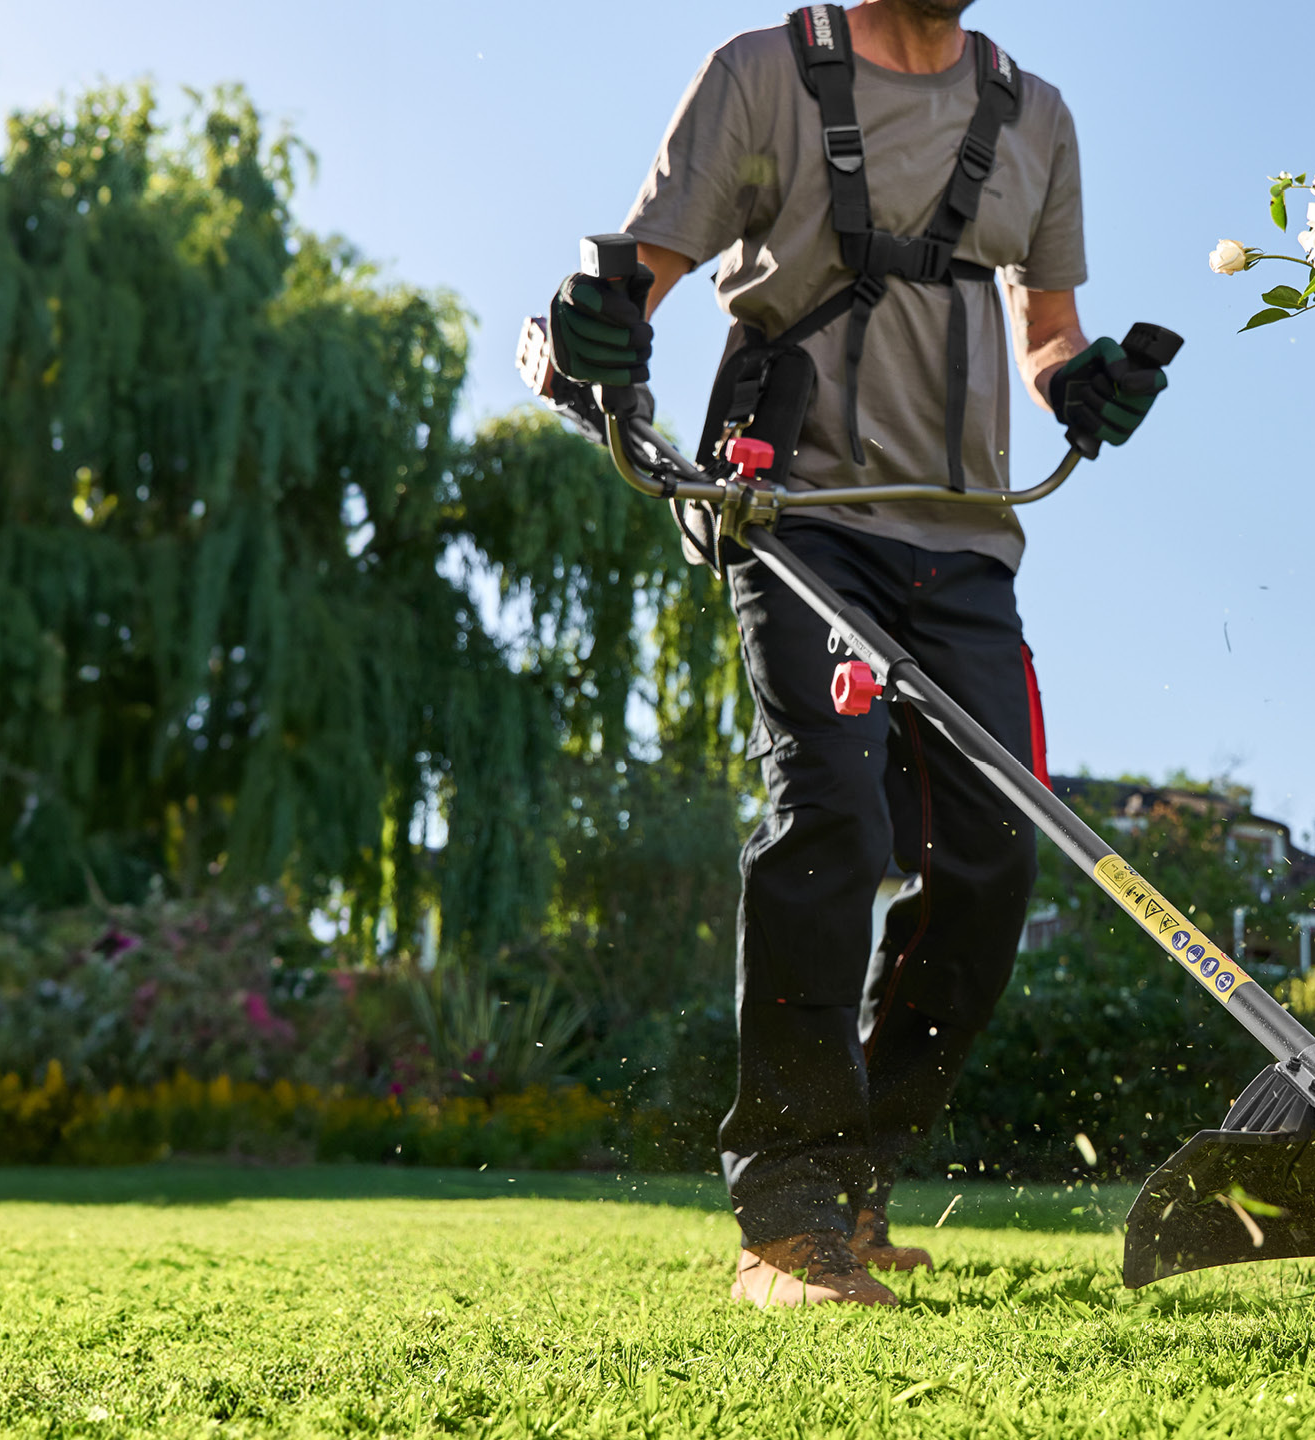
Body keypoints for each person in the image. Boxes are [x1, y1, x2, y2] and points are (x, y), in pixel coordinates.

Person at [545, 0, 1164, 1308]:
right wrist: (582, 338)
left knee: (991, 865)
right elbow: (634, 278)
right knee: (831, 817)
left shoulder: (1033, 112)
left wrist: (1083, 380)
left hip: (971, 547)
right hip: (801, 518)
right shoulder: (766, 75)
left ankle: (859, 1178)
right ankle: (784, 1217)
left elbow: (1043, 327)